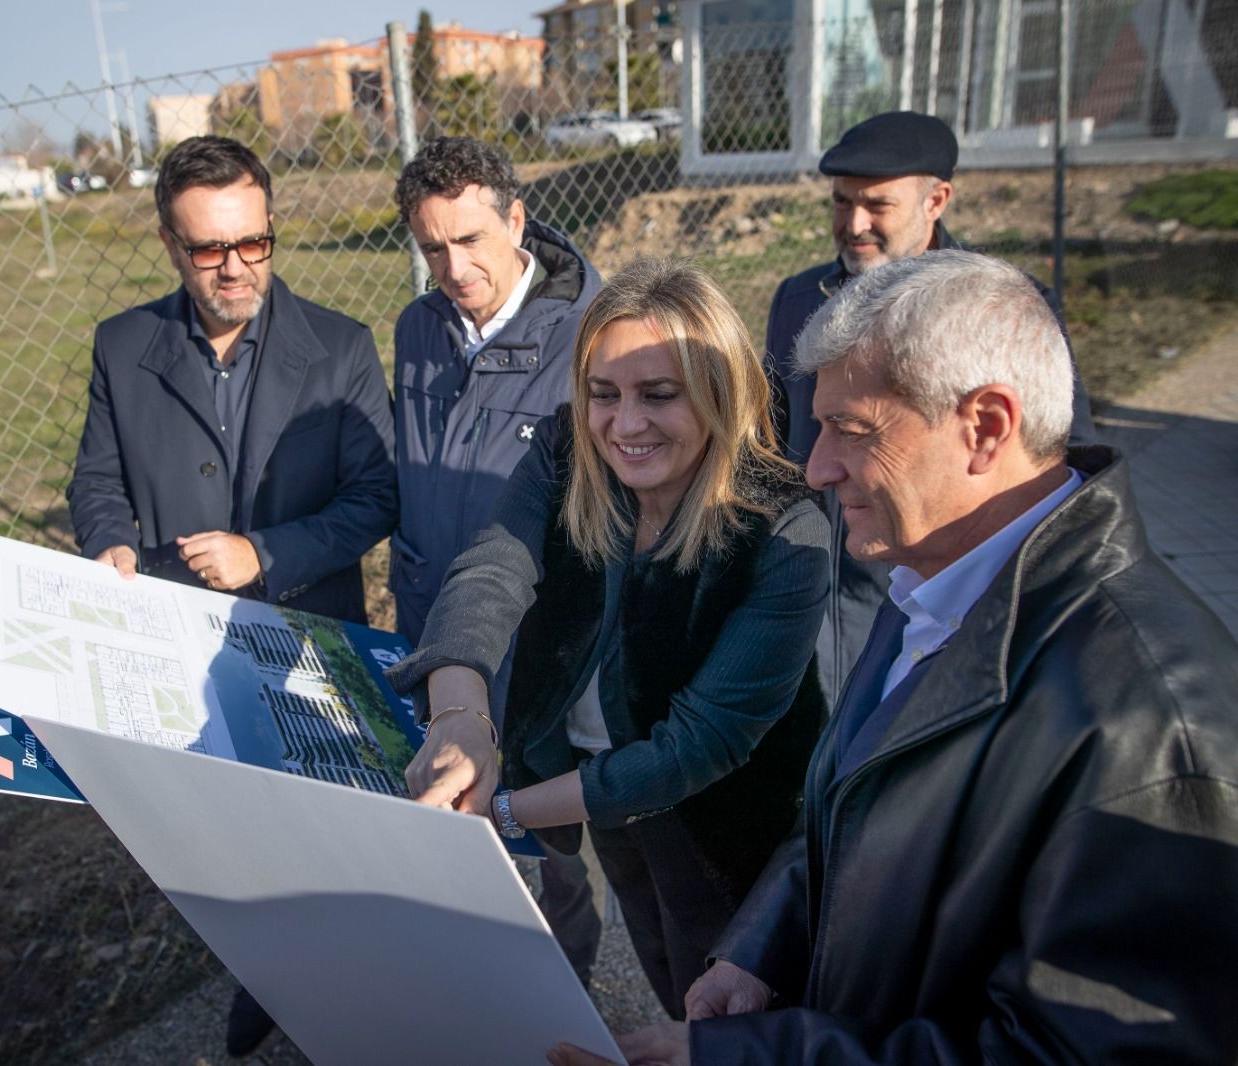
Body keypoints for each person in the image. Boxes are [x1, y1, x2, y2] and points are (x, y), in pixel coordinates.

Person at [549, 250, 1238, 1066]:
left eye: (853, 429)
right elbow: (851, 818)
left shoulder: (1152, 726)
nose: (818, 466)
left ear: (984, 426)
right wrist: (759, 949)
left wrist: (751, 1057)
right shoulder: (931, 578)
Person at [389, 258, 831, 1019]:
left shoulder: (786, 531)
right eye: (604, 394)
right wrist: (462, 718)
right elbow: (492, 569)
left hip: (722, 824)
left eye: (659, 395)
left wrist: (503, 811)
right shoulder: (567, 451)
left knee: (723, 1000)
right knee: (659, 965)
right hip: (595, 792)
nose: (625, 425)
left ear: (720, 394)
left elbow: (697, 747)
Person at [65, 136, 398, 1056]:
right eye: (210, 249)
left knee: (333, 831)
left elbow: (375, 496)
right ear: (170, 244)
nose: (236, 267)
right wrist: (110, 542)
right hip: (177, 638)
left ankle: (357, 989)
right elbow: (96, 481)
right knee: (232, 842)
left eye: (255, 243)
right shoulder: (124, 346)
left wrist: (266, 551)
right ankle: (272, 980)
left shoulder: (338, 346)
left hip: (308, 639)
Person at [764, 110, 1096, 700]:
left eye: (878, 206)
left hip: (937, 607)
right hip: (811, 594)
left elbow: (1058, 464)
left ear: (936, 200)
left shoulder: (1002, 311)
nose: (854, 224)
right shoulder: (796, 299)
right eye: (841, 203)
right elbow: (778, 441)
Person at [390, 135, 604, 984]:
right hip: (437, 631)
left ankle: (564, 996)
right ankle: (469, 988)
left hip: (539, 648)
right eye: (432, 247)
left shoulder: (589, 339)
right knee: (448, 823)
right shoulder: (418, 328)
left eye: (471, 239)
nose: (453, 265)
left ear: (516, 219)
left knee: (546, 850)